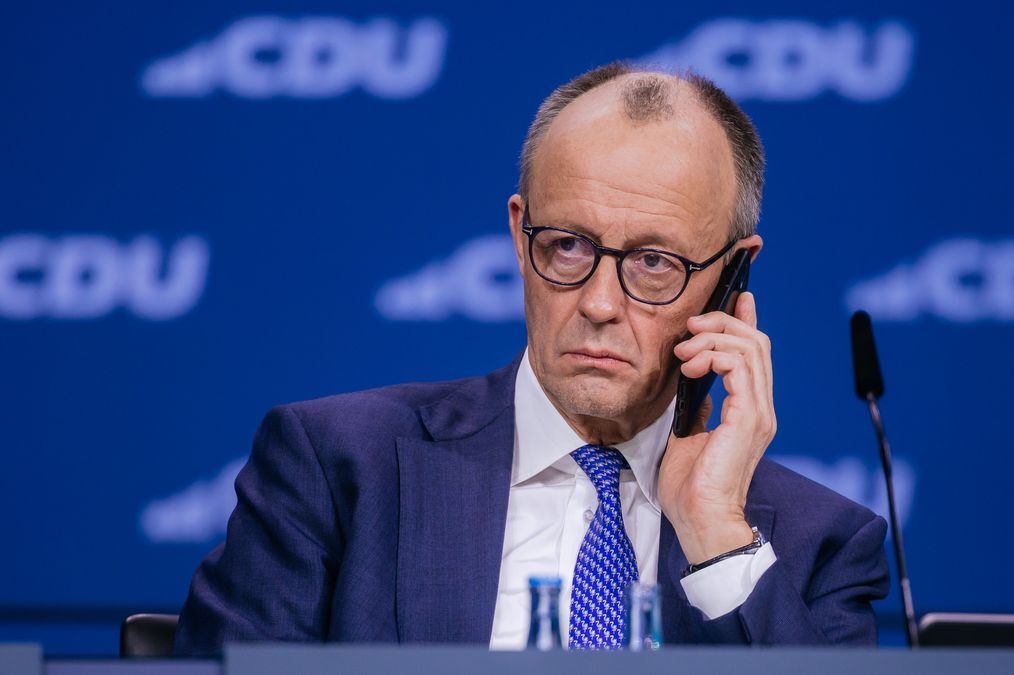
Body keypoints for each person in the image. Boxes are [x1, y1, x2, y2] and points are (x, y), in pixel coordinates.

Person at [174, 61, 889, 655]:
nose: (600, 303)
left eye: (652, 261)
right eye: (569, 246)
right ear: (521, 236)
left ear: (733, 275)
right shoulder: (338, 470)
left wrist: (715, 533)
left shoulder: (816, 544)